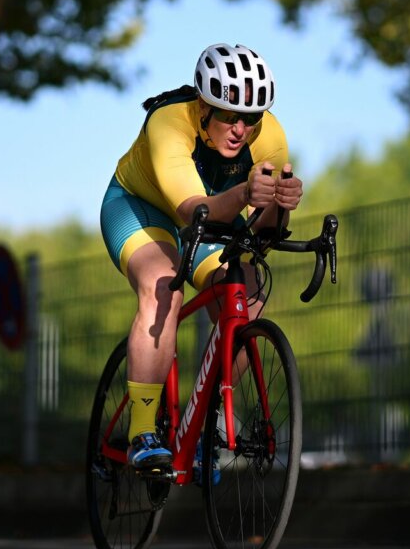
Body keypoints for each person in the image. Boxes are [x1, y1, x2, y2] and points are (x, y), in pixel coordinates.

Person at [100, 43, 303, 470]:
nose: (240, 129)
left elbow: (263, 231)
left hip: (214, 219)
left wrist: (279, 206)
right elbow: (192, 210)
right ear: (203, 106)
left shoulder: (269, 135)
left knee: (245, 298)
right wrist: (247, 194)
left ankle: (202, 422)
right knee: (163, 288)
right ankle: (141, 431)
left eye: (251, 118)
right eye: (229, 115)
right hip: (143, 207)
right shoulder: (169, 122)